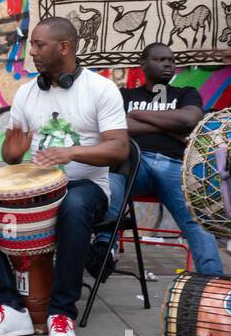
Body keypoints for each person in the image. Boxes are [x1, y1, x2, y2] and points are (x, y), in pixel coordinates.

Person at [0, 17, 129, 336]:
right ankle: (9, 306)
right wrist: (14, 150)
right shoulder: (27, 92)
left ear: (64, 47)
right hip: (37, 191)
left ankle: (61, 313)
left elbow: (119, 149)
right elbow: (12, 156)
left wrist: (71, 152)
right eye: (32, 45)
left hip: (86, 186)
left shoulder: (100, 89)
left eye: (39, 45)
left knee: (74, 206)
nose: (32, 52)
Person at [93, 43, 223, 278]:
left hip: (173, 166)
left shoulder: (186, 93)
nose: (168, 64)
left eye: (171, 60)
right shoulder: (124, 95)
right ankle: (104, 252)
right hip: (134, 165)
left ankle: (213, 281)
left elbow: (189, 120)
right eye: (161, 59)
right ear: (143, 64)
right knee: (110, 182)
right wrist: (169, 127)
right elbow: (117, 127)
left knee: (196, 220)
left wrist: (137, 115)